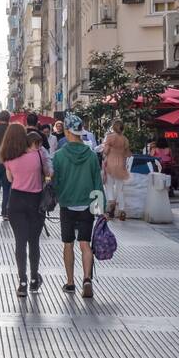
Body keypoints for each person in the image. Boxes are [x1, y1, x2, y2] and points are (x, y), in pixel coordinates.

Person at [52, 112, 104, 297]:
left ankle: (70, 282)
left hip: (67, 204)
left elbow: (54, 181)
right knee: (85, 243)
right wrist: (100, 210)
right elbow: (97, 182)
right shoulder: (91, 156)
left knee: (68, 244)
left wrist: (56, 196)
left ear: (67, 131)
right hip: (87, 206)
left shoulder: (58, 156)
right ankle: (87, 279)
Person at [0, 123, 49, 297]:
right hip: (36, 202)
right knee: (34, 242)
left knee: (20, 242)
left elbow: (10, 178)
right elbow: (48, 173)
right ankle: (35, 279)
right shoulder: (38, 154)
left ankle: (22, 282)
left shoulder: (8, 158)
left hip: (16, 201)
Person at [101, 119, 130, 221]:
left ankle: (111, 207)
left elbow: (105, 151)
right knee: (120, 189)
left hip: (110, 165)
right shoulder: (125, 139)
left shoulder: (110, 137)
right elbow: (127, 154)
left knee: (109, 186)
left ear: (113, 127)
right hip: (121, 165)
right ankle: (122, 210)